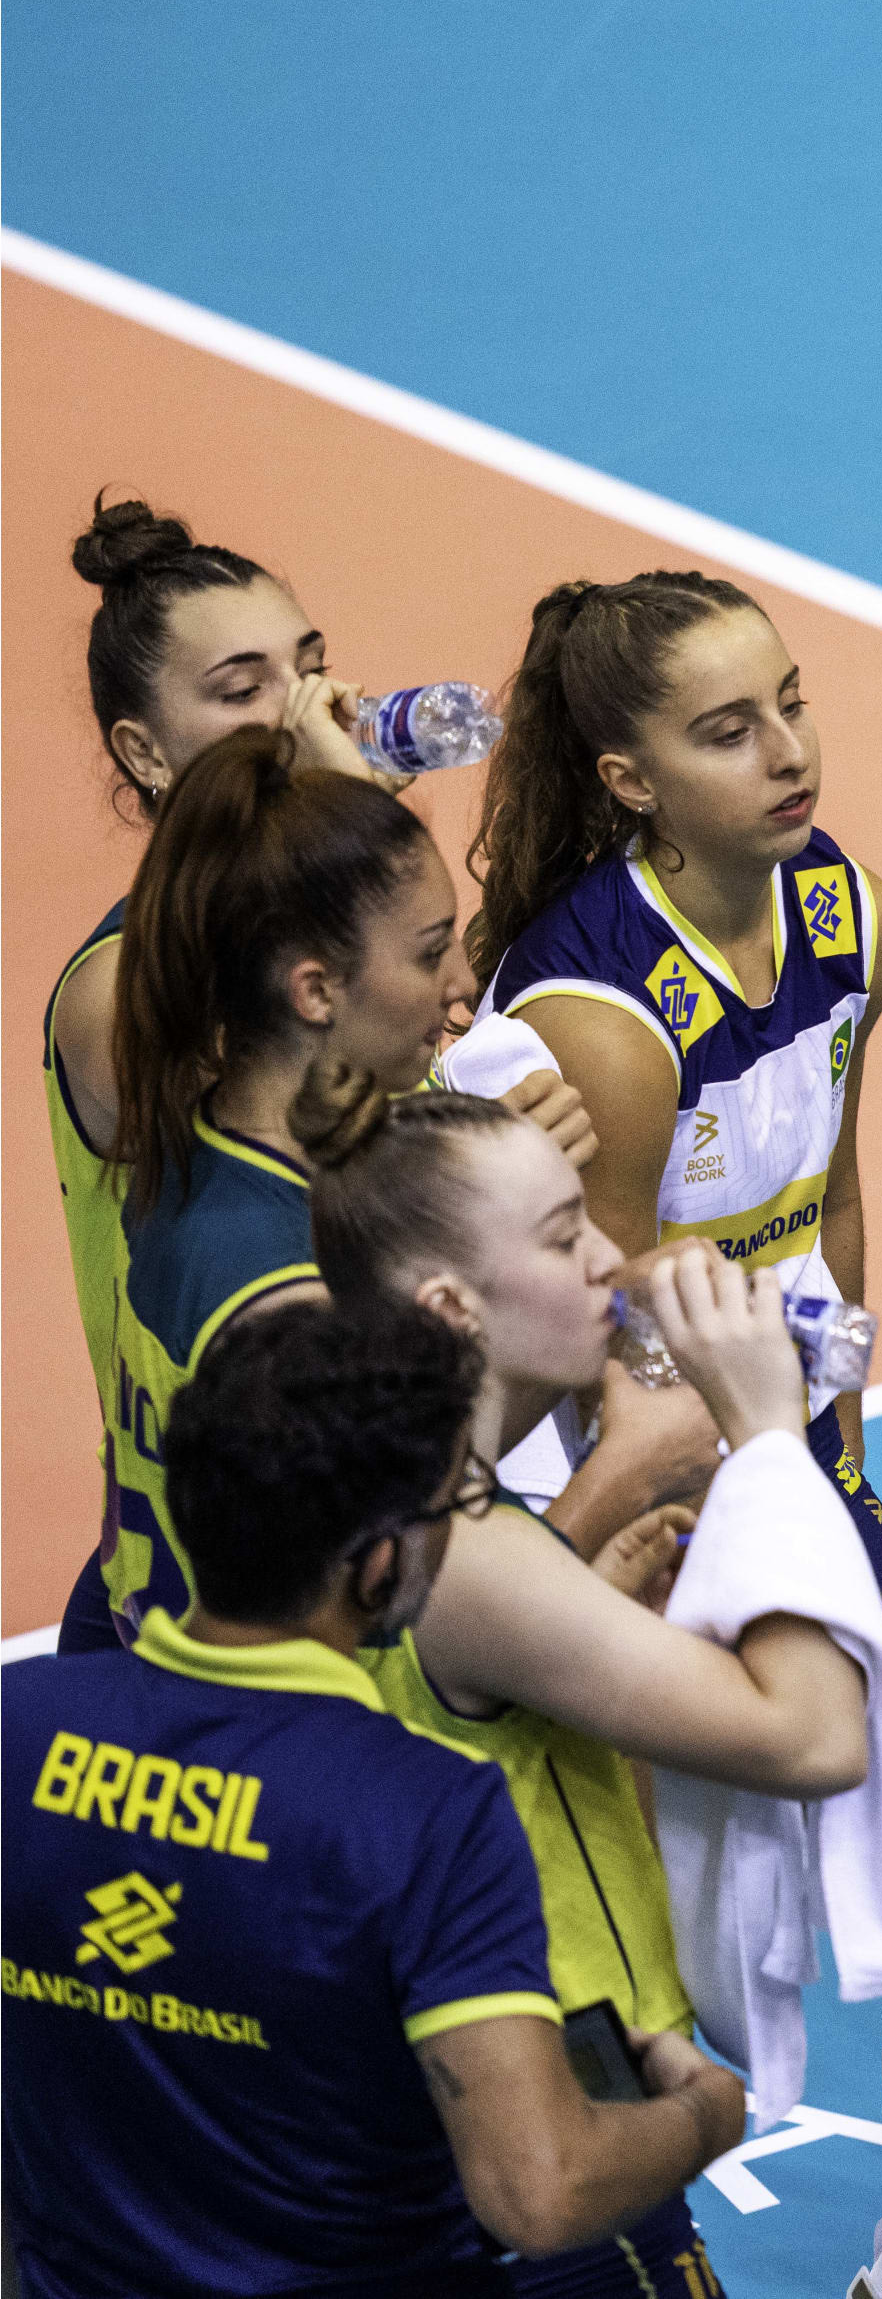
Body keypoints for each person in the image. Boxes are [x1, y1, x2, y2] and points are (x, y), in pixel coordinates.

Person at [467, 569, 882, 2299]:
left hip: (787, 1460)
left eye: (792, 703)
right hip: (623, 1504)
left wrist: (839, 1457)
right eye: (730, 730)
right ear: (630, 775)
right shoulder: (601, 1021)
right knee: (649, 1997)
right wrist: (698, 1537)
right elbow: (590, 1334)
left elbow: (838, 1193)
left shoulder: (840, 910)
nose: (791, 750)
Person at [297, 1065, 882, 2297]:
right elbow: (812, 1738)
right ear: (450, 1308)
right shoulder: (474, 1555)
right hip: (550, 2127)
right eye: (563, 1237)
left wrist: (588, 1575)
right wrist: (765, 1439)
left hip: (440, 2111)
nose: (612, 1260)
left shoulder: (395, 1498)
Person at [2, 1296, 748, 2298]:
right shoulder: (427, 1813)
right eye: (452, 1510)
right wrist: (706, 2112)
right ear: (383, 1563)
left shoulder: (19, 1722)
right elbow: (541, 2195)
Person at [46, 493, 584, 1651]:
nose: (302, 711)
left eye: (312, 668)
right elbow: (316, 1102)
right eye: (242, 690)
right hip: (213, 1602)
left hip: (348, 1524)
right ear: (141, 750)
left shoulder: (329, 949)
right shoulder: (119, 989)